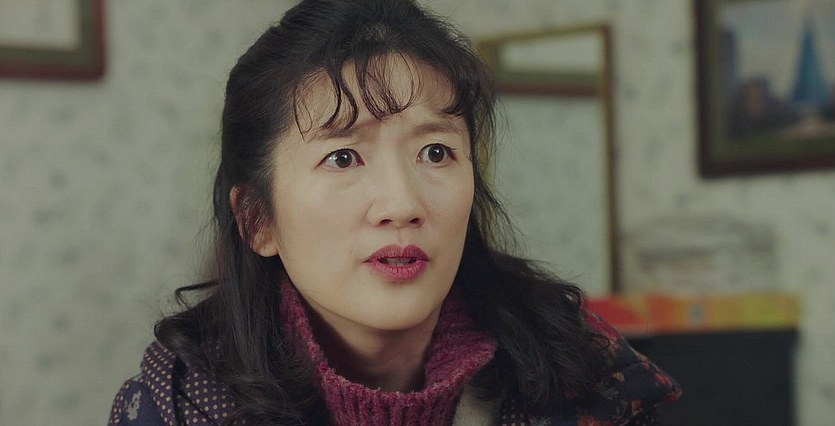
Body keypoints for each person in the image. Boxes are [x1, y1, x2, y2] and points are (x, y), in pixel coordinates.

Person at [108, 0, 680, 424]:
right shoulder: (180, 407)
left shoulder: (589, 378)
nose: (402, 205)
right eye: (343, 157)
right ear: (258, 219)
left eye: (435, 153)